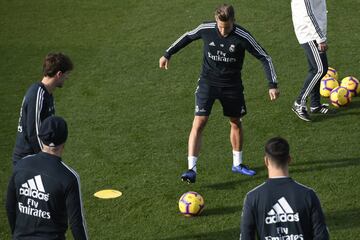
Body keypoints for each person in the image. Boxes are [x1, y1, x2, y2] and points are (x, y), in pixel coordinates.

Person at [159, 4, 279, 183]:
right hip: (208, 83)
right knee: (199, 122)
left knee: (235, 122)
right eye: (220, 27)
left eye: (227, 27)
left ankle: (237, 164)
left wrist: (272, 84)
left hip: (232, 87)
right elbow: (187, 37)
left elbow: (264, 57)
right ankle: (191, 169)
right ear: (216, 20)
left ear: (234, 21)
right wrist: (167, 53)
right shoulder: (206, 29)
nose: (223, 31)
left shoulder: (242, 36)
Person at [6, 116, 89, 240]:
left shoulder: (21, 165)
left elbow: (10, 206)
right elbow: (77, 225)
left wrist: (16, 234)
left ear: (41, 138)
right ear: (64, 140)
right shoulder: (69, 177)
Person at [240, 137, 329, 239]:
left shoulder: (252, 197)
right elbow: (322, 236)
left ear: (266, 161)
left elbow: (246, 237)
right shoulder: (308, 194)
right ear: (289, 159)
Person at [12, 52, 73, 165]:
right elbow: (34, 133)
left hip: (35, 157)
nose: (67, 78)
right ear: (59, 74)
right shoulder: (38, 94)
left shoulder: (47, 94)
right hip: (28, 160)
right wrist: (48, 162)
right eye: (66, 74)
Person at [291, 0, 333, 122]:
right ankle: (299, 102)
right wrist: (320, 38)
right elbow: (308, 14)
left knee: (315, 69)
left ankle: (315, 105)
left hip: (314, 32)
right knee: (320, 69)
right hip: (309, 34)